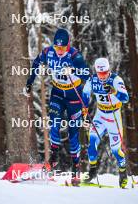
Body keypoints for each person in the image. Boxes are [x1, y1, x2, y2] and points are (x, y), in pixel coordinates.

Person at [25, 28, 89, 185]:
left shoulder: (75, 55)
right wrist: (29, 82)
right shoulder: (48, 52)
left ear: (68, 46)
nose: (59, 51)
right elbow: (36, 63)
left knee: (73, 134)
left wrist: (73, 69)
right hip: (58, 94)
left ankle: (76, 166)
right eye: (57, 47)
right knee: (54, 123)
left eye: (63, 48)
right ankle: (53, 158)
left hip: (74, 96)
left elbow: (87, 75)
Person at [82, 57, 129, 188]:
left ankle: (123, 173)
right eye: (99, 74)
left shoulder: (116, 80)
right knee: (91, 143)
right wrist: (84, 111)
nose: (102, 77)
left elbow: (125, 98)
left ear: (109, 70)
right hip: (100, 115)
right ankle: (92, 171)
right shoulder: (93, 80)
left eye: (105, 73)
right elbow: (85, 94)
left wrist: (114, 92)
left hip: (114, 118)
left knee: (115, 151)